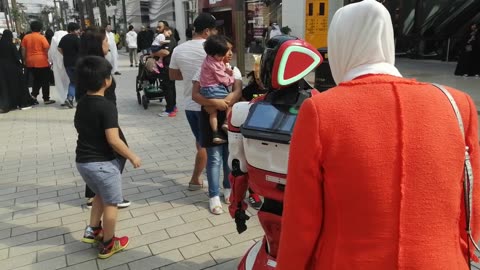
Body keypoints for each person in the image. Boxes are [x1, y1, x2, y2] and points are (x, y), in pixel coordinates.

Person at [276, 1, 480, 269]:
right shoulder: (458, 104)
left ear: (340, 45)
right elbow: (471, 201)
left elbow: (302, 219)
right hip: (442, 260)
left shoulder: (320, 111)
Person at [75, 55, 141, 259]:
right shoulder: (106, 106)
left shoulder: (82, 102)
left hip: (83, 162)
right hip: (102, 164)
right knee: (112, 203)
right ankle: (108, 244)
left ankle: (93, 230)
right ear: (106, 80)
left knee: (99, 196)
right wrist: (132, 156)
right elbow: (113, 140)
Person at [78, 26, 131, 209]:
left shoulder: (88, 63)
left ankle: (94, 194)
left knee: (99, 153)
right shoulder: (96, 66)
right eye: (106, 40)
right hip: (103, 116)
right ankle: (106, 192)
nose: (109, 43)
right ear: (97, 44)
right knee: (119, 150)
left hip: (99, 115)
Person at [169, 13, 220, 191]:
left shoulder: (178, 49)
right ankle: (195, 180)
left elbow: (173, 75)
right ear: (207, 31)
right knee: (205, 145)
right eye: (214, 29)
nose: (216, 33)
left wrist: (191, 76)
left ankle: (198, 178)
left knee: (201, 142)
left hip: (190, 105)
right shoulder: (212, 48)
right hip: (210, 103)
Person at [192, 36, 243, 214]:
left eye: (230, 50)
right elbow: (195, 95)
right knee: (213, 158)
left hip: (228, 115)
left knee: (229, 156)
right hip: (209, 115)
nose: (229, 53)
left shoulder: (234, 70)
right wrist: (214, 103)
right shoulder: (203, 69)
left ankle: (228, 188)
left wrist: (223, 103)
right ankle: (214, 195)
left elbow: (237, 91)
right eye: (225, 50)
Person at [198, 35, 234, 144]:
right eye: (222, 55)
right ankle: (226, 123)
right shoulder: (214, 65)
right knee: (230, 103)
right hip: (213, 90)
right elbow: (223, 79)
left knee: (213, 113)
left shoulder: (208, 58)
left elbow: (222, 67)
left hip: (205, 91)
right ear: (215, 53)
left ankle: (215, 134)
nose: (224, 56)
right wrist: (231, 78)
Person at [21, 21, 55, 105]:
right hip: (42, 61)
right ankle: (46, 99)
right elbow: (47, 48)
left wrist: (24, 60)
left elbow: (23, 49)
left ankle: (33, 96)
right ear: (40, 28)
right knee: (45, 80)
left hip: (30, 61)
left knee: (36, 79)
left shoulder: (26, 37)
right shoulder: (41, 37)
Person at [0, 29, 33, 113]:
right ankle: (18, 102)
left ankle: (6, 105)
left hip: (2, 70)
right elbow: (17, 57)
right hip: (13, 69)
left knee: (5, 87)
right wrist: (21, 65)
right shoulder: (11, 45)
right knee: (15, 85)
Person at [58, 22, 81, 108]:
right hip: (76, 63)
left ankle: (74, 98)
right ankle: (70, 98)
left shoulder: (64, 38)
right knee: (74, 82)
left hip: (67, 63)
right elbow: (81, 50)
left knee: (73, 80)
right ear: (74, 30)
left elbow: (59, 48)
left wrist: (65, 54)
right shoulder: (76, 39)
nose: (79, 31)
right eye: (78, 29)